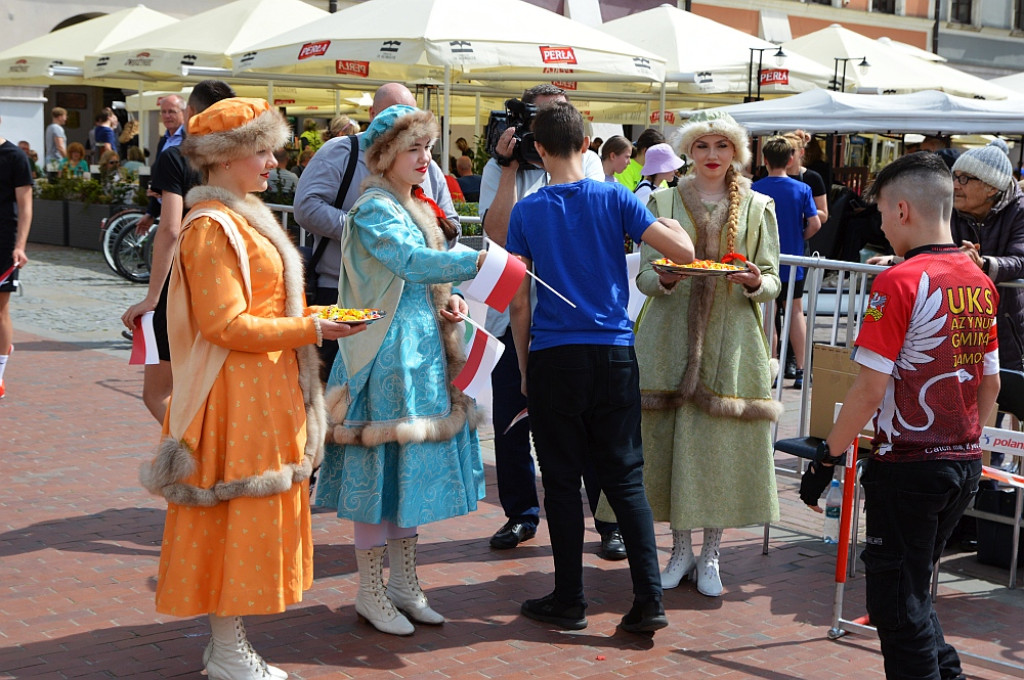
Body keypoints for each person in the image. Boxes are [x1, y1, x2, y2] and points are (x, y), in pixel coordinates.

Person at [139, 96, 364, 679]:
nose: (273, 163)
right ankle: (230, 650)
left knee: (242, 521)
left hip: (260, 391)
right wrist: (312, 325)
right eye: (262, 151)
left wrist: (312, 317)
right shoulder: (212, 227)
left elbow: (258, 310)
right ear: (226, 157)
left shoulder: (238, 216)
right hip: (234, 396)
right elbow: (225, 324)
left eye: (271, 150)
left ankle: (227, 648)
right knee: (233, 523)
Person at [802, 152, 1000, 680]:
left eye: (884, 215)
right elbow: (992, 383)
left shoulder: (898, 282)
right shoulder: (980, 282)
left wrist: (827, 456)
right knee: (912, 591)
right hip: (961, 464)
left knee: (895, 603)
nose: (883, 227)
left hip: (907, 466)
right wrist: (968, 449)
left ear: (904, 209)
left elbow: (868, 389)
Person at [506, 101, 694, 634]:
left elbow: (521, 302)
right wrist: (672, 224)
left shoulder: (528, 212)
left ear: (539, 150)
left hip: (553, 356)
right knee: (625, 479)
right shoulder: (615, 197)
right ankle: (649, 600)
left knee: (562, 482)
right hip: (613, 352)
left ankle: (570, 599)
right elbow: (681, 250)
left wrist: (524, 367)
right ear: (587, 145)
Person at [313, 105, 487, 637]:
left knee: (404, 475)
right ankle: (370, 591)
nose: (425, 158)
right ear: (386, 154)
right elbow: (410, 262)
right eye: (414, 149)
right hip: (380, 356)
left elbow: (422, 279)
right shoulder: (373, 208)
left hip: (417, 352)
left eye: (428, 148)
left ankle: (405, 585)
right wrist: (479, 263)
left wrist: (452, 300)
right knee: (377, 476)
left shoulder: (414, 203)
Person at [635, 110, 782, 598]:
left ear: (735, 151)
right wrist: (668, 277)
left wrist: (756, 281)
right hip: (670, 340)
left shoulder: (760, 206)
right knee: (675, 447)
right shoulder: (662, 199)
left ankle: (712, 553)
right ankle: (678, 551)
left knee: (718, 448)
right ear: (688, 152)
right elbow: (645, 277)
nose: (712, 156)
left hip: (731, 341)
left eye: (722, 146)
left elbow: (773, 277)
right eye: (702, 146)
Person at [480, 83, 626, 560]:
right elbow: (498, 234)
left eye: (553, 117)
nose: (541, 128)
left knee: (587, 433)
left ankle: (605, 523)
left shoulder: (587, 167)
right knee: (512, 422)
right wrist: (507, 171)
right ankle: (521, 514)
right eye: (535, 119)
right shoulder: (500, 167)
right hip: (512, 319)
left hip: (570, 324)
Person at [294, 82, 458, 379]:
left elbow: (451, 224)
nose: (400, 125)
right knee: (341, 391)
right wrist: (364, 233)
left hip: (409, 304)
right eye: (391, 117)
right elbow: (306, 207)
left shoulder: (425, 163)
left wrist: (432, 248)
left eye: (409, 118)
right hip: (344, 292)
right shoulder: (341, 152)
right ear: (373, 116)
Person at [121, 80, 237, 424]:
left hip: (183, 280)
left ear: (189, 112)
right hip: (227, 280)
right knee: (211, 383)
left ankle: (201, 460)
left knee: (158, 393)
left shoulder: (176, 156)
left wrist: (152, 296)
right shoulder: (237, 157)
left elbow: (170, 228)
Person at [752, 136, 821, 389]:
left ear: (765, 160)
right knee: (795, 313)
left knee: (769, 314)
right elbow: (815, 223)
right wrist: (798, 237)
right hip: (793, 261)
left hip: (764, 260)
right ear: (791, 159)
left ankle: (770, 369)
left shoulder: (754, 188)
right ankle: (803, 370)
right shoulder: (802, 189)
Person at [0, 115, 33, 400]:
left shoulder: (14, 157)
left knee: (0, 308)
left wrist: (20, 246)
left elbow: (25, 206)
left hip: (4, 242)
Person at [633, 142, 683, 206]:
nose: (676, 170)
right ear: (660, 168)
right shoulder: (646, 191)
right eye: (670, 166)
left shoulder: (657, 188)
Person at [44, 107, 67, 172]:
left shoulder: (50, 127)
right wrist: (67, 159)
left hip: (49, 159)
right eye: (65, 116)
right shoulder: (57, 128)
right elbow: (60, 146)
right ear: (60, 117)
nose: (65, 119)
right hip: (57, 160)